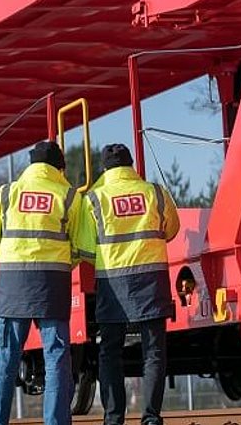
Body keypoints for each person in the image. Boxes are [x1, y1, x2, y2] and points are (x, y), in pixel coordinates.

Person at [0, 141, 81, 425]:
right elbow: (82, 246)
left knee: (6, 362)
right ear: (60, 168)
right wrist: (63, 262)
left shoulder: (7, 193)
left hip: (12, 284)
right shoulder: (69, 195)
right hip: (52, 284)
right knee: (57, 359)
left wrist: (9, 256)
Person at [75, 143, 180, 425]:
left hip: (112, 283)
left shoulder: (95, 199)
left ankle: (113, 419)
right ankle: (151, 418)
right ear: (131, 165)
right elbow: (171, 229)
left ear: (105, 169)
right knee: (154, 350)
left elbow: (86, 248)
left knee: (110, 351)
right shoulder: (155, 192)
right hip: (151, 279)